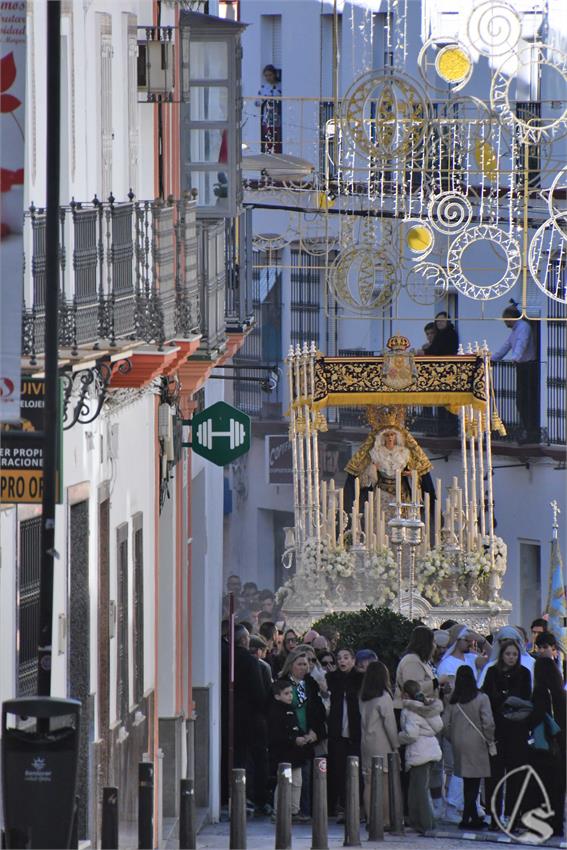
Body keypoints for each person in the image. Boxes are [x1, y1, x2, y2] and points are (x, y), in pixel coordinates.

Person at [481, 639, 532, 830]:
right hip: (497, 730)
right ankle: (494, 817)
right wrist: (505, 699)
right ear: (502, 655)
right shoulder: (493, 673)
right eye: (508, 654)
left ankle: (512, 816)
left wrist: (507, 699)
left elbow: (524, 698)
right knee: (495, 776)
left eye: (515, 654)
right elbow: (488, 697)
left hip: (517, 730)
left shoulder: (524, 673)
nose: (511, 658)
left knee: (515, 775)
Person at [443, 666, 495, 830]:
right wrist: (490, 740)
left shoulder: (453, 699)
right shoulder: (481, 698)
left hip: (458, 742)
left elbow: (444, 724)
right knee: (475, 781)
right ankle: (469, 817)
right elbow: (488, 723)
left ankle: (469, 816)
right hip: (477, 742)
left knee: (467, 780)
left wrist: (452, 737)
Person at [279, 649, 326, 818]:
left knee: (306, 775)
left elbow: (319, 710)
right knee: (290, 775)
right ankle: (288, 810)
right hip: (289, 736)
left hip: (308, 735)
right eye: (299, 664)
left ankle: (304, 811)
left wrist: (315, 732)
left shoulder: (311, 684)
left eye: (306, 664)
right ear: (291, 666)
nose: (304, 668)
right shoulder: (282, 683)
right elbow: (276, 712)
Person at [234, 625, 272, 815]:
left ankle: (247, 795)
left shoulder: (231, 658)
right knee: (256, 759)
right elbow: (261, 693)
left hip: (238, 719)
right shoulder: (254, 665)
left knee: (243, 758)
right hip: (254, 720)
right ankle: (257, 797)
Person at [399, 680, 443, 835]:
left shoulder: (409, 710)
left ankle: (426, 824)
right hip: (431, 750)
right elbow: (438, 726)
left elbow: (411, 734)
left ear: (405, 694)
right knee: (416, 790)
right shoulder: (427, 707)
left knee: (420, 791)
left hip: (419, 753)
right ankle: (418, 822)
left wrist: (397, 737)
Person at [528, 657, 566, 837]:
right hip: (560, 745)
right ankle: (557, 825)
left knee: (540, 787)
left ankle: (541, 825)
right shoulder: (561, 694)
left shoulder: (540, 693)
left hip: (543, 746)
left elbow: (536, 718)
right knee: (557, 789)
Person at [492, 300, 538, 442]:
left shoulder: (523, 327)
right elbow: (507, 345)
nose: (506, 323)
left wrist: (516, 357)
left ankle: (530, 430)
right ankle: (526, 428)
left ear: (512, 318)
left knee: (526, 400)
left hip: (527, 367)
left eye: (507, 320)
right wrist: (492, 358)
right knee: (521, 400)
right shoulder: (515, 330)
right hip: (522, 366)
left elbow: (521, 343)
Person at [359, 661, 399, 827]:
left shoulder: (363, 696)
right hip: (382, 743)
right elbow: (390, 724)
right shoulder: (384, 697)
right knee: (384, 783)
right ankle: (384, 820)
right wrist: (396, 746)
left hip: (366, 743)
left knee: (368, 782)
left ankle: (371, 818)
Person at [326, 647, 364, 821]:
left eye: (346, 657)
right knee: (339, 770)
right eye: (339, 658)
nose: (342, 661)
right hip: (338, 731)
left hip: (356, 730)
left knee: (356, 770)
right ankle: (343, 806)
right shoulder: (332, 678)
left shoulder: (360, 678)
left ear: (353, 660)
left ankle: (358, 806)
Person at [268, 679, 313, 823]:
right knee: (283, 783)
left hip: (295, 754)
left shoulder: (291, 709)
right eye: (286, 693)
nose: (290, 696)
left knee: (297, 783)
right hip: (283, 754)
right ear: (277, 696)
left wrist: (304, 735)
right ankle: (278, 812)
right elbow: (276, 734)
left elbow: (296, 727)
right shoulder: (274, 712)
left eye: (291, 693)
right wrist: (294, 740)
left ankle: (294, 810)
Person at [394, 626, 437, 708]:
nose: (435, 646)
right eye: (433, 642)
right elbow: (413, 689)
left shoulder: (422, 661)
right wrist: (436, 683)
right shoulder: (411, 661)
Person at [255, 64, 282, 154]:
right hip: (267, 118)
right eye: (266, 75)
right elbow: (257, 102)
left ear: (274, 74)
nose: (268, 77)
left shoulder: (280, 86)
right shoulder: (264, 88)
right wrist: (264, 99)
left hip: (279, 116)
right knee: (268, 137)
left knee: (278, 137)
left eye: (270, 75)